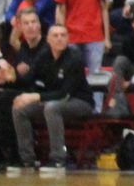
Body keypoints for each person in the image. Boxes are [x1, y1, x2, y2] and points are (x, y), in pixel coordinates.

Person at [10, 21, 92, 174]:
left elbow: (64, 93)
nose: (59, 39)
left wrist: (35, 96)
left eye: (63, 35)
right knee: (20, 109)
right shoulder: (44, 56)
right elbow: (29, 79)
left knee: (52, 108)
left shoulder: (74, 58)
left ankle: (58, 159)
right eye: (55, 35)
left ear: (68, 39)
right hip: (52, 100)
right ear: (48, 39)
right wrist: (11, 78)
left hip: (79, 102)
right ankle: (27, 159)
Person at [54, 0, 112, 101]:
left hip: (94, 35)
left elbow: (104, 9)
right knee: (72, 75)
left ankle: (97, 110)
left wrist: (107, 37)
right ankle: (76, 107)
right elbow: (61, 13)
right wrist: (61, 37)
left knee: (96, 76)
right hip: (72, 36)